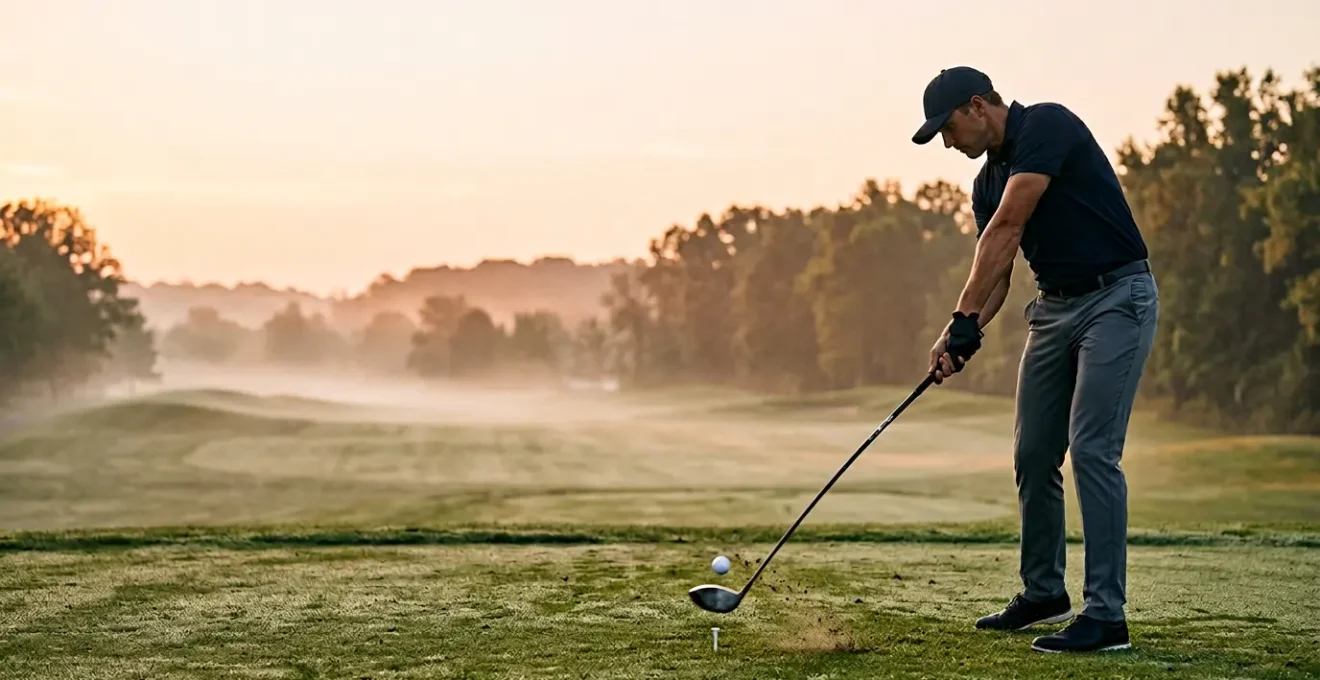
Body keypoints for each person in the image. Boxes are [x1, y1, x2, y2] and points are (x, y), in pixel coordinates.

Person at [911, 66, 1159, 654]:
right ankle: (1044, 592)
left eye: (947, 129)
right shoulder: (983, 183)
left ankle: (1107, 617)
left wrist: (962, 318)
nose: (947, 144)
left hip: (1117, 299)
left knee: (1093, 450)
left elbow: (1009, 226)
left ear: (978, 106)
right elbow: (997, 267)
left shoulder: (1046, 125)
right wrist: (961, 333)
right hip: (1053, 309)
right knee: (1033, 451)